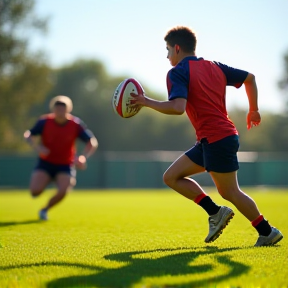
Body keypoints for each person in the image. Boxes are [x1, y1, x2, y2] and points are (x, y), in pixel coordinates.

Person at [131, 26, 283, 247]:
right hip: (211, 139)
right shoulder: (215, 66)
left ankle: (267, 231)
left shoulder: (178, 72)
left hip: (217, 138)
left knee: (230, 191)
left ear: (177, 48)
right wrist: (254, 109)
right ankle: (215, 212)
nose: (167, 56)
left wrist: (146, 101)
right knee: (171, 177)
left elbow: (177, 107)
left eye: (167, 50)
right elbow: (250, 78)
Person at [24, 95, 98, 220]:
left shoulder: (75, 124)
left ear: (68, 109)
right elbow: (28, 135)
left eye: (63, 108)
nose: (60, 111)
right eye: (57, 108)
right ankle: (48, 179)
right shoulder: (44, 121)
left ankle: (44, 209)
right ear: (53, 109)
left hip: (65, 164)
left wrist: (83, 157)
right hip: (45, 163)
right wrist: (38, 148)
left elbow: (92, 141)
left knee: (63, 190)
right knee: (35, 191)